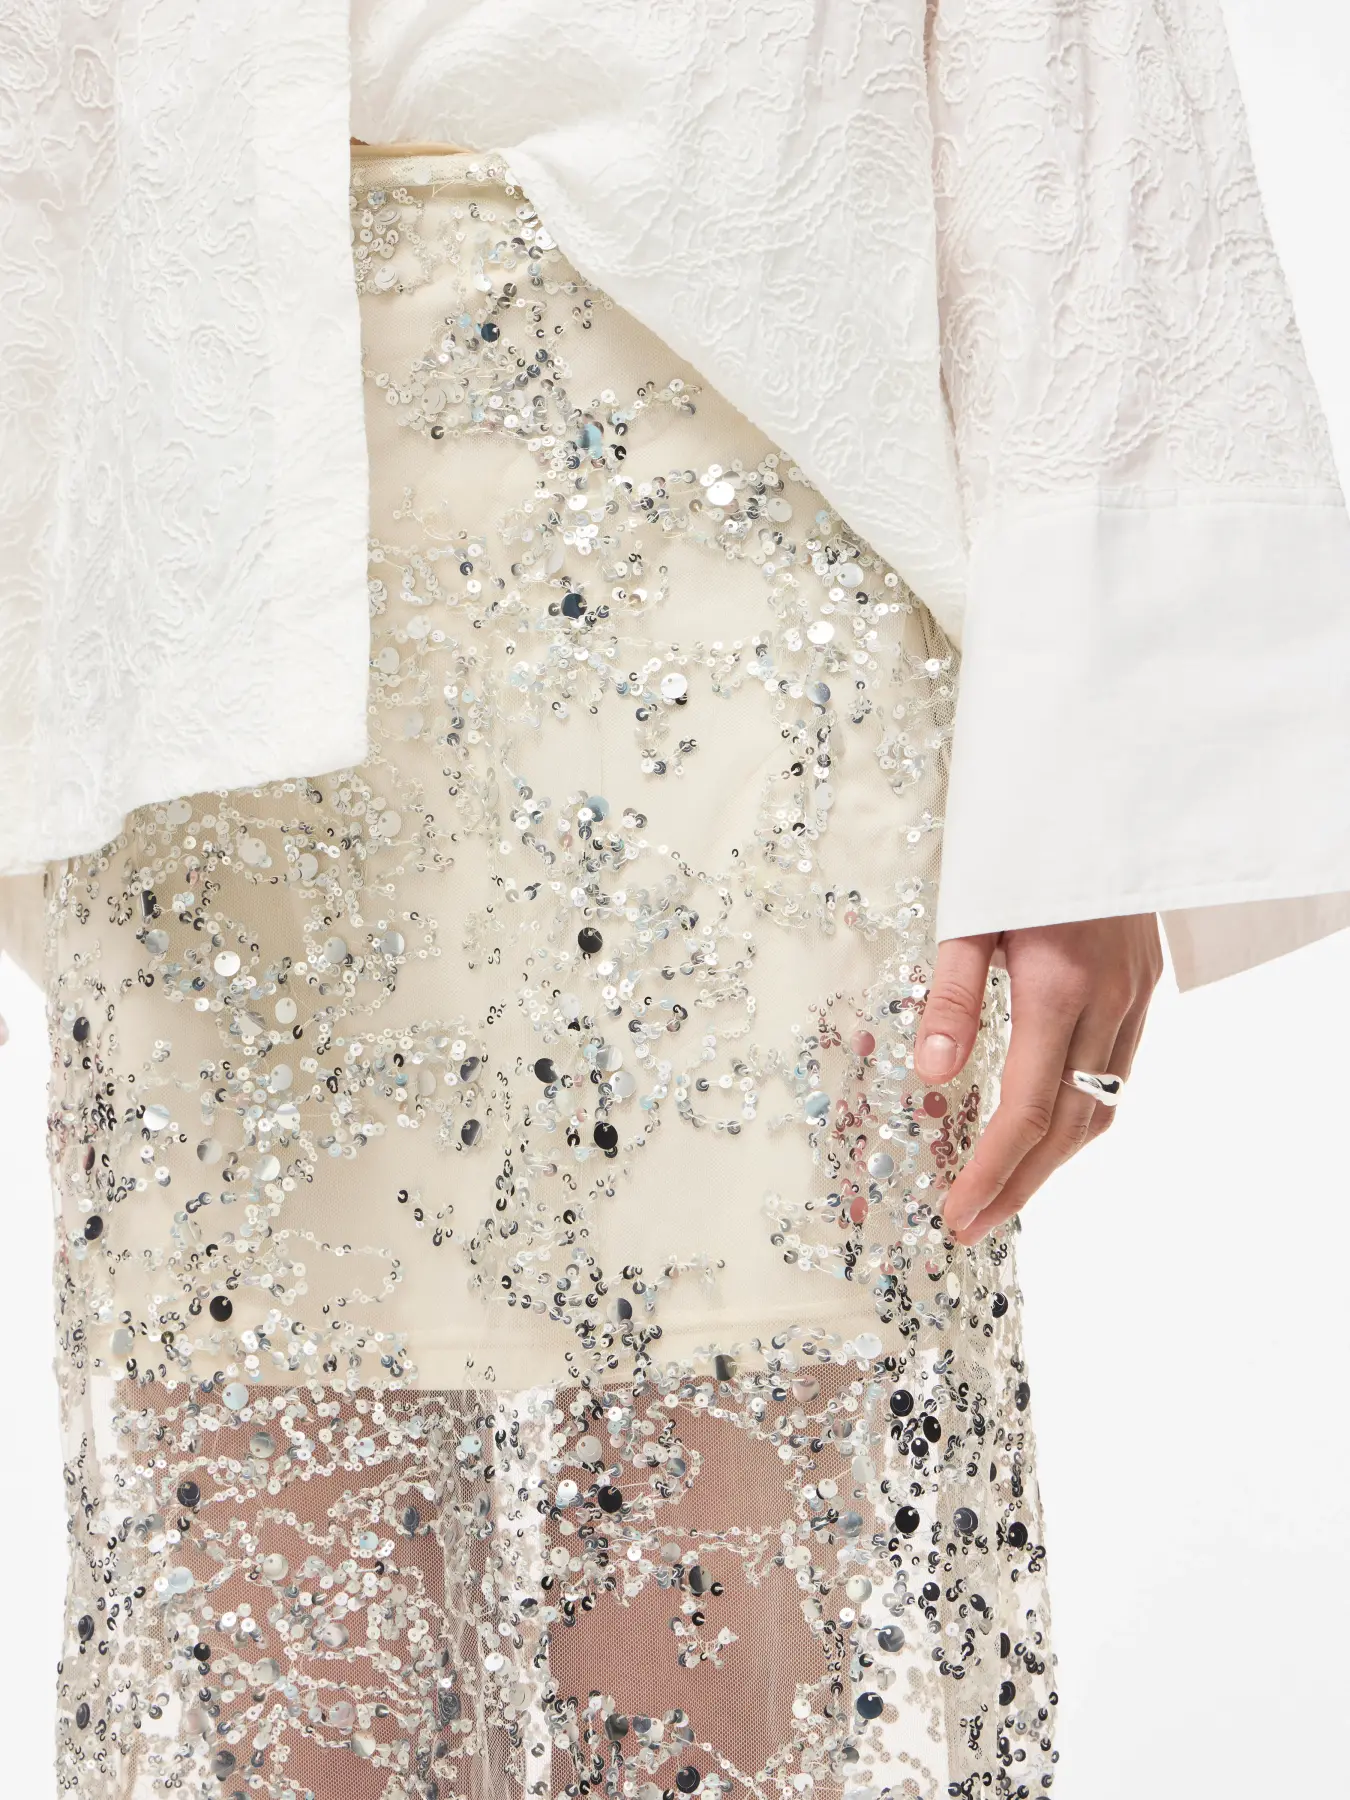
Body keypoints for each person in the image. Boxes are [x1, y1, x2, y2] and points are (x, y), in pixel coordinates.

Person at [1, 5, 1348, 1797]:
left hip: (744, 570)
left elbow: (1069, 66)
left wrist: (1091, 774)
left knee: (705, 1619)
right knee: (271, 1623)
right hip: (191, 567)